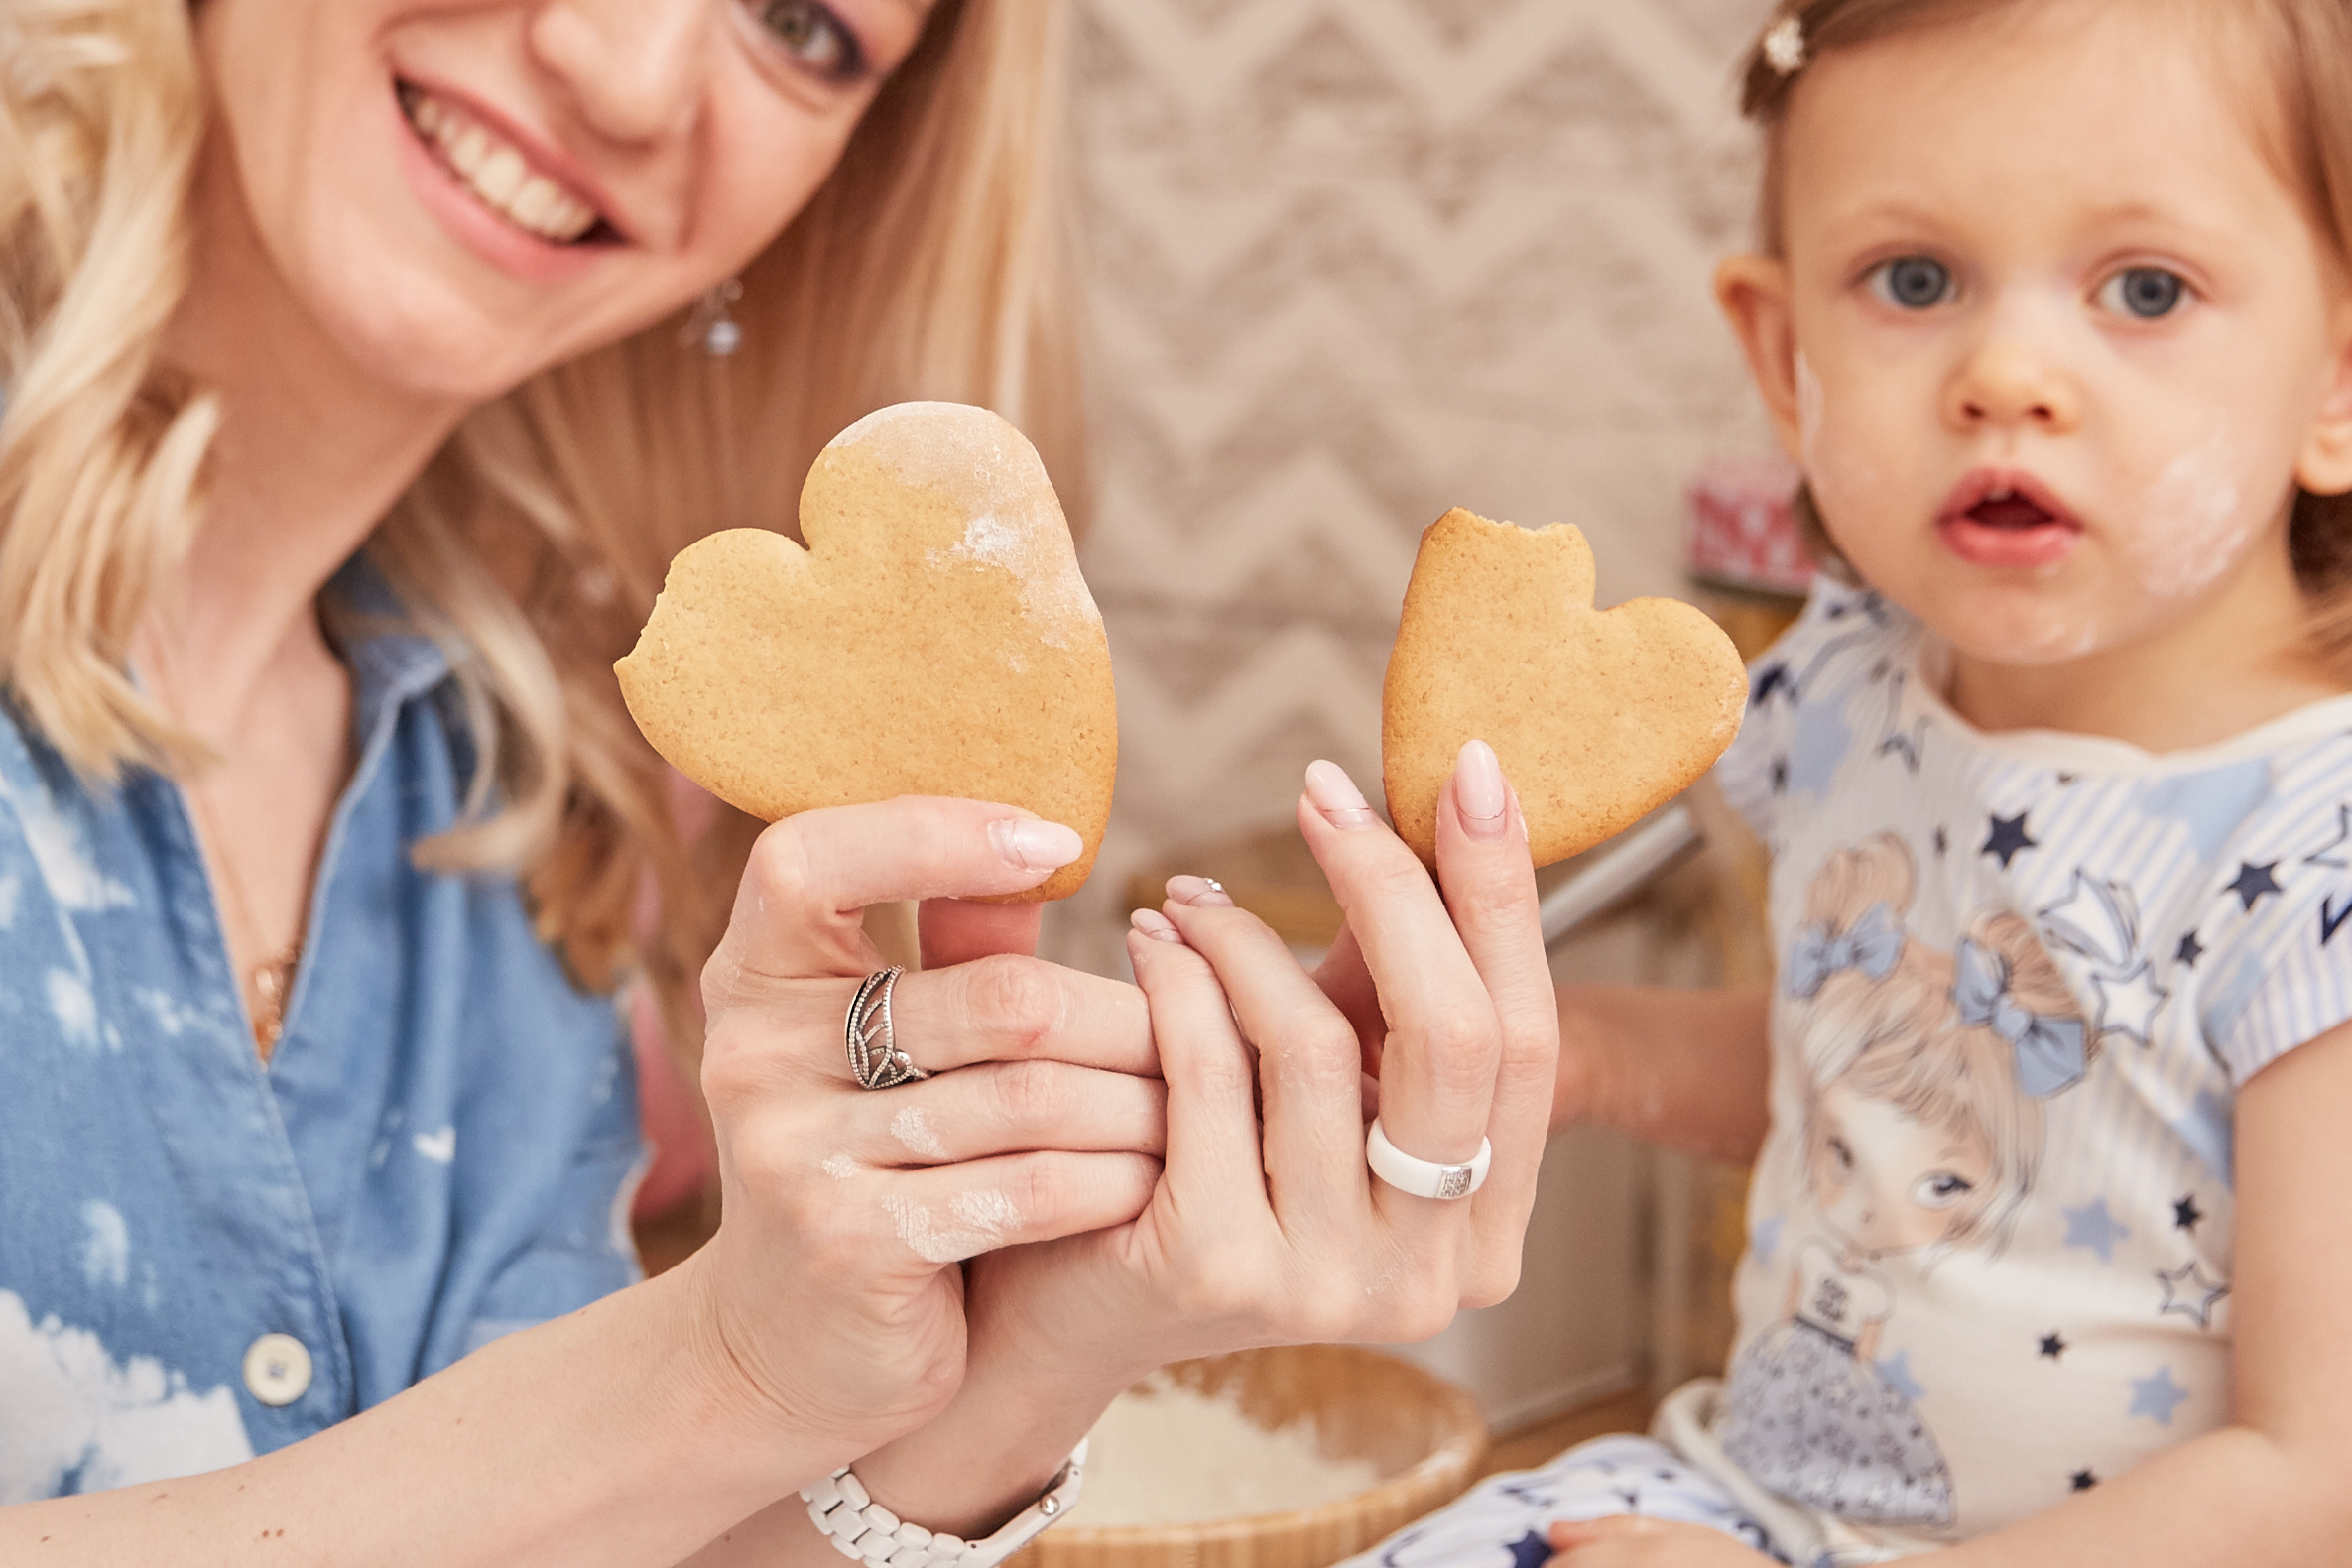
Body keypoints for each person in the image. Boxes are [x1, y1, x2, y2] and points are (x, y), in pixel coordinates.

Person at [0, 2, 1561, 1561]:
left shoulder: (522, 784)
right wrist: (714, 1366)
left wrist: (1037, 1351)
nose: (621, 73)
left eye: (802, 26)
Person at [1343, 0, 2352, 1564]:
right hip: (1761, 1500)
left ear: (2342, 376)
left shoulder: (2315, 851)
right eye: (1915, 280)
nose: (2006, 373)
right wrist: (1577, 1049)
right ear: (1783, 355)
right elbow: (1858, 1072)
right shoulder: (1854, 690)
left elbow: (2314, 1473)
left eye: (2144, 289)